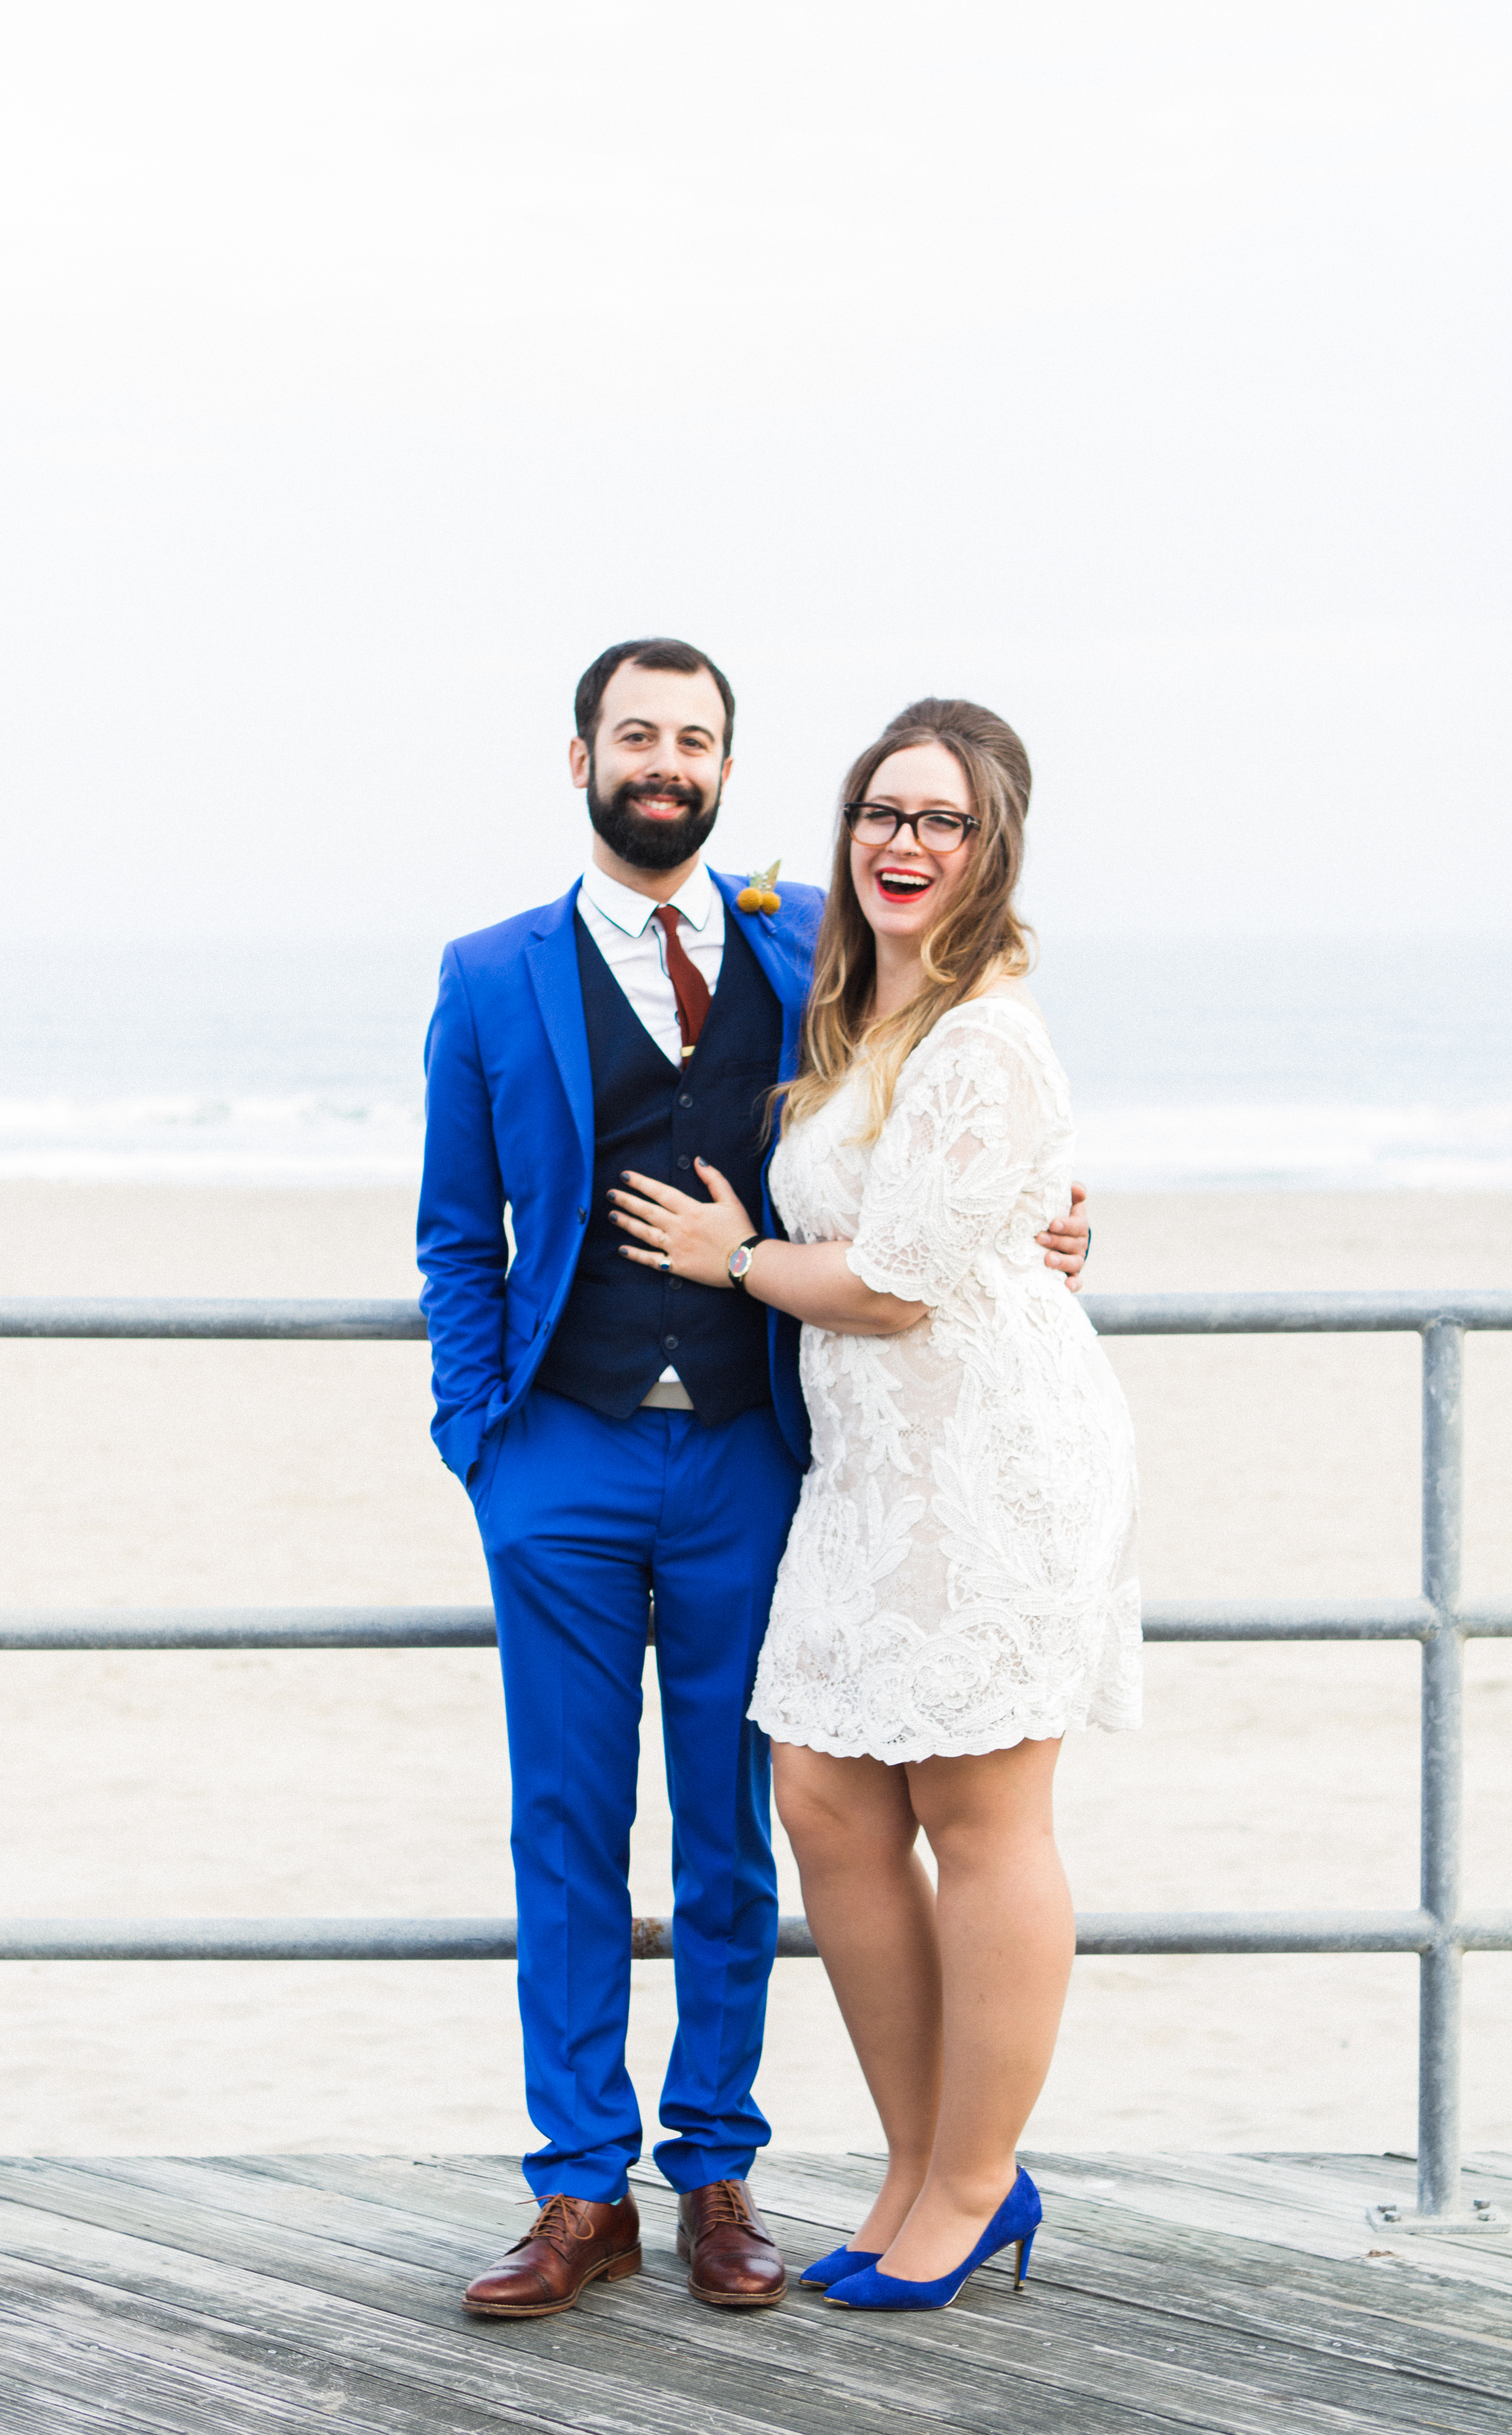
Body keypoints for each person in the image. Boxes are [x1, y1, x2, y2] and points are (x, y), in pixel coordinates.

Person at [417, 646, 1093, 2321]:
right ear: (579, 753)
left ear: (728, 766)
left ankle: (716, 2170)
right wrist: (479, 1441)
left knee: (746, 1827)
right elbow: (452, 1230)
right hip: (560, 1455)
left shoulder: (816, 948)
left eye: (694, 737)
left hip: (755, 1458)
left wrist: (1060, 1220)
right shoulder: (488, 972)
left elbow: (956, 1128)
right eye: (634, 734)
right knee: (568, 1823)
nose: (663, 761)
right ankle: (580, 2187)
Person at [607, 695, 1139, 2315]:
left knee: (982, 1824)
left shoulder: (981, 1031)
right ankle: (917, 2165)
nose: (906, 843)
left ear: (993, 852)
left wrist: (732, 1260)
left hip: (987, 1465)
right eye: (882, 814)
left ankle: (972, 2184)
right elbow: (734, 906)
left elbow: (901, 1282)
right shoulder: (858, 1002)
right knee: (829, 1804)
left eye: (944, 821)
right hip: (866, 1473)